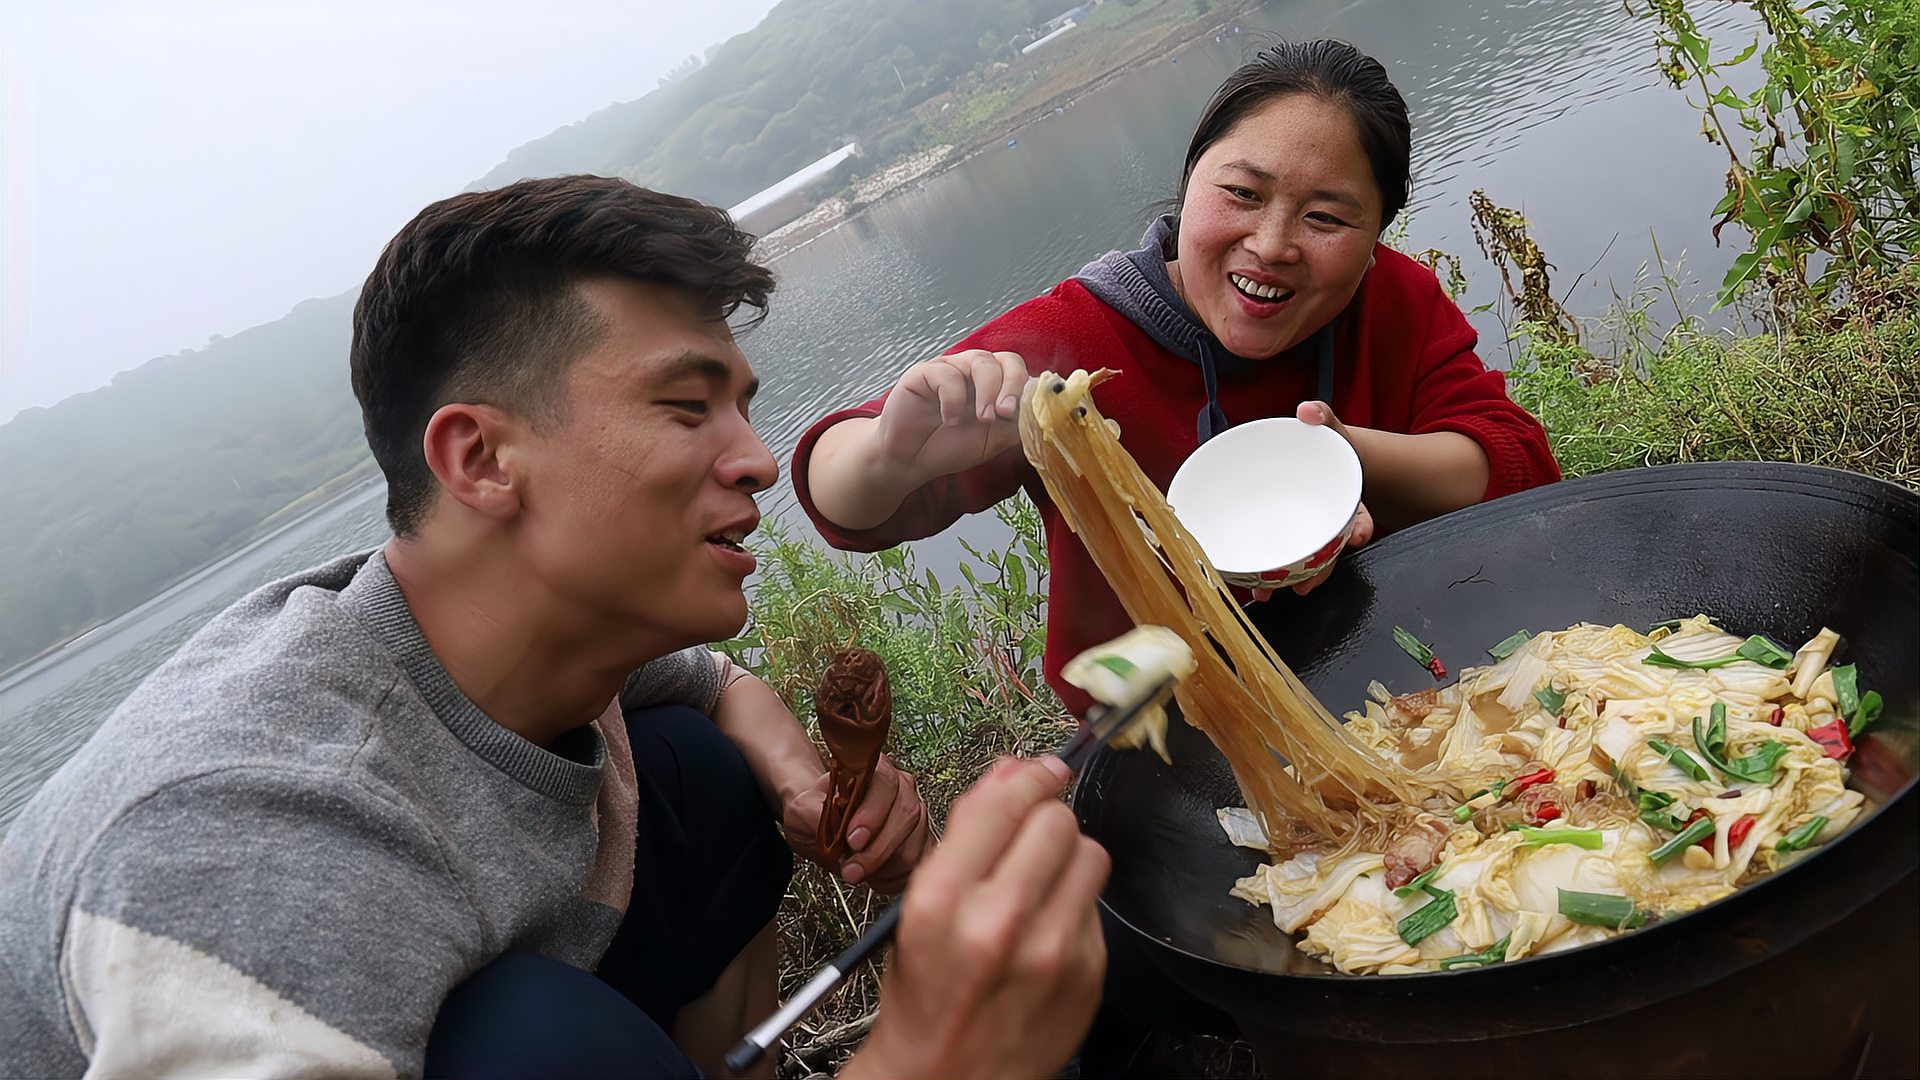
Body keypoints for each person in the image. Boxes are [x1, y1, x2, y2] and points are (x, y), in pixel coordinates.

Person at [0, 176, 1109, 1078]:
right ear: (480, 460)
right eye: (687, 408)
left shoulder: (498, 633)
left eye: (745, 407)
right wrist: (928, 1060)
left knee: (696, 767)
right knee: (528, 1040)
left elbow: (712, 683)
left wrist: (800, 786)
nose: (760, 459)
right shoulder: (259, 841)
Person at [795, 40, 1562, 715]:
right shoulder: (1073, 343)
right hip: (1165, 735)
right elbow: (844, 495)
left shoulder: (1390, 298)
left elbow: (1516, 467)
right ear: (1190, 178)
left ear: (1374, 238)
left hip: (1403, 666)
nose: (1271, 244)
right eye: (1242, 193)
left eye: (1326, 218)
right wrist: (893, 455)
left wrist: (1334, 459)